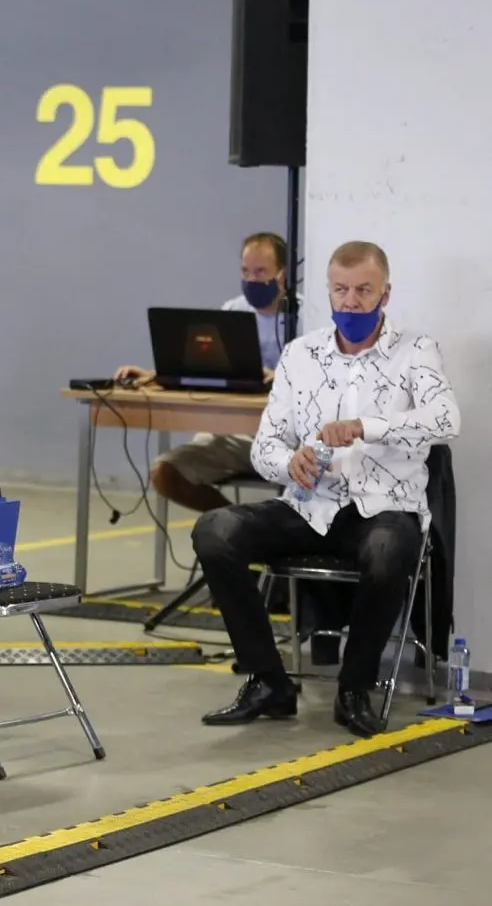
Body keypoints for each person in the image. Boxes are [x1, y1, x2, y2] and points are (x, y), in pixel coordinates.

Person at [192, 241, 459, 739]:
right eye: (341, 290)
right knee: (216, 529)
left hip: (383, 507)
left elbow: (447, 419)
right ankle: (269, 682)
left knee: (389, 547)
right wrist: (287, 462)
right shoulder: (300, 355)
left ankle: (354, 689)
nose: (351, 302)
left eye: (364, 291)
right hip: (310, 506)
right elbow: (265, 446)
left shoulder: (416, 350)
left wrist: (366, 426)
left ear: (385, 293)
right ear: (329, 291)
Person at [115, 232, 289, 512]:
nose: (252, 279)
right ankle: (239, 530)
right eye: (245, 271)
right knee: (165, 474)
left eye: (260, 271)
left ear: (282, 274)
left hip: (286, 439)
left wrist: (284, 378)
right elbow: (207, 367)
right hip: (231, 432)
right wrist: (155, 375)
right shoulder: (232, 311)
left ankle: (251, 532)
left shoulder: (306, 314)